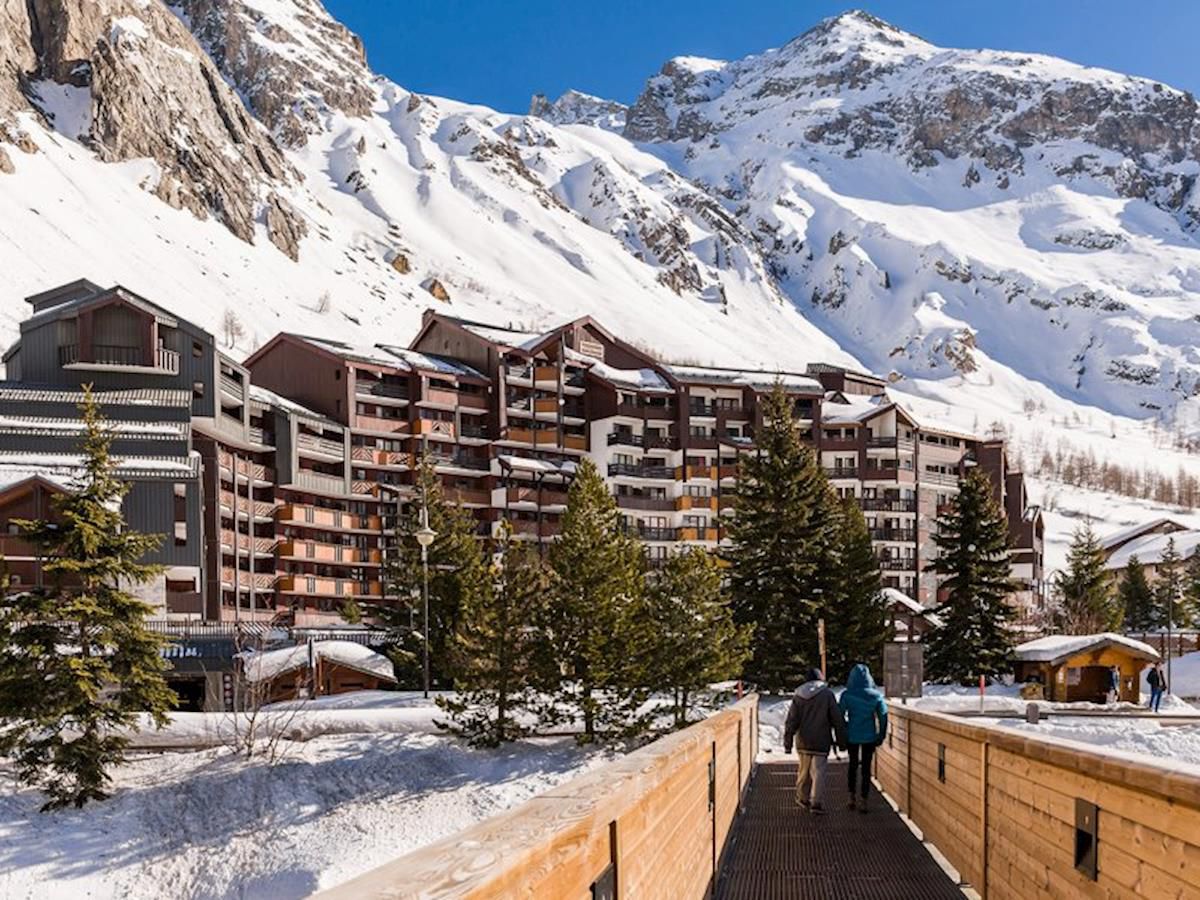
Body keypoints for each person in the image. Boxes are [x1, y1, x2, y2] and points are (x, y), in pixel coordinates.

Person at [783, 667, 846, 815]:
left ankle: (802, 797)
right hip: (822, 740)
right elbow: (837, 719)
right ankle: (816, 802)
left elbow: (791, 721)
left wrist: (788, 742)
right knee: (819, 772)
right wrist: (842, 741)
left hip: (803, 740)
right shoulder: (827, 694)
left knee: (804, 771)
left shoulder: (798, 696)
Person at [838, 663, 888, 813]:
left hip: (852, 735)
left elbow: (839, 715)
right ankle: (864, 800)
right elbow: (883, 717)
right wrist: (881, 735)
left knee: (852, 766)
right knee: (866, 769)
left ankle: (851, 797)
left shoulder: (847, 695)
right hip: (869, 736)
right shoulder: (876, 696)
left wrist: (845, 729)